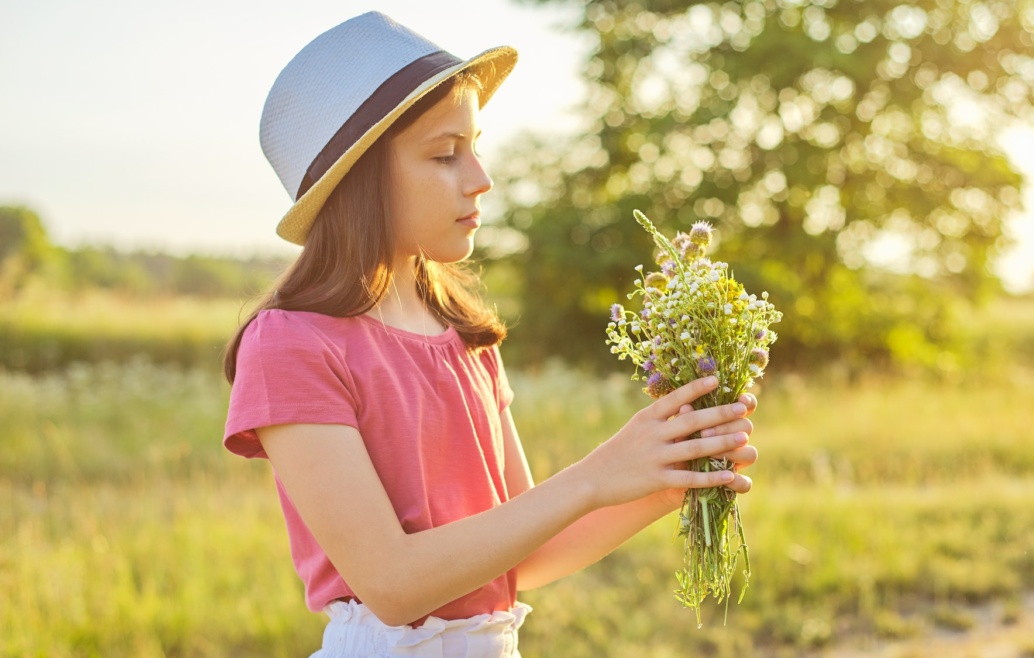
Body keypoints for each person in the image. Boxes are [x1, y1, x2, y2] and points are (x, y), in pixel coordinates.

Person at [222, 12, 759, 658]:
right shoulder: (290, 344)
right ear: (360, 179)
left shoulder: (463, 337)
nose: (481, 178)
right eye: (446, 154)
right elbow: (392, 585)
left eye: (477, 147)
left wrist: (667, 482)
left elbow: (521, 554)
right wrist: (594, 475)